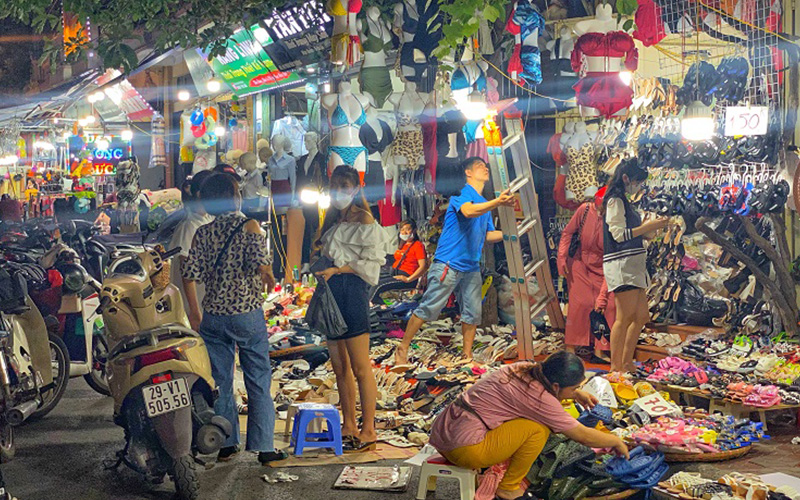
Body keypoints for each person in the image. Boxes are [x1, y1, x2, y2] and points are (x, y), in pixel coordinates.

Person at [182, 172, 285, 464]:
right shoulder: (250, 226)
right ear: (234, 197)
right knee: (258, 379)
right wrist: (267, 275)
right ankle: (264, 447)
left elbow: (189, 275)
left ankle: (226, 443)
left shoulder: (202, 233)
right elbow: (261, 264)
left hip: (213, 316)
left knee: (221, 382)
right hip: (246, 315)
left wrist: (195, 313)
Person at [429, 351, 630, 500]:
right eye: (574, 387)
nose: (576, 390)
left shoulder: (522, 368)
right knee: (537, 430)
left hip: (444, 432)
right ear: (556, 386)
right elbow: (582, 435)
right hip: (464, 449)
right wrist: (615, 441)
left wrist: (576, 394)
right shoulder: (540, 398)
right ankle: (508, 487)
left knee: (529, 424)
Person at [395, 157, 514, 365]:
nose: (485, 168)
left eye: (486, 166)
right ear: (468, 172)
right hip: (448, 264)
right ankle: (402, 348)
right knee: (429, 308)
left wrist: (513, 233)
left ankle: (466, 356)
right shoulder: (462, 194)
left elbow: (488, 235)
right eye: (480, 166)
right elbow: (468, 211)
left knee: (473, 313)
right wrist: (497, 202)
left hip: (471, 267)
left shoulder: (483, 203)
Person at [314, 164, 387, 452]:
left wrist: (337, 269)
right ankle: (349, 425)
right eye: (334, 187)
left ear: (355, 189)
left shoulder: (365, 219)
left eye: (344, 187)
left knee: (360, 366)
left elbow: (371, 266)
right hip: (331, 293)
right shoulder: (332, 218)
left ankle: (368, 429)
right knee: (340, 367)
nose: (338, 192)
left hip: (352, 293)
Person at [602, 160, 667, 372]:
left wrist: (648, 232)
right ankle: (616, 367)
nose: (639, 186)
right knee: (624, 318)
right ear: (626, 178)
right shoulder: (615, 201)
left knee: (640, 317)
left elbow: (628, 233)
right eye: (637, 181)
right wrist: (648, 226)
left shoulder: (623, 201)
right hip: (622, 264)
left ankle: (626, 362)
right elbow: (618, 235)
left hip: (633, 264)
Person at [557, 187, 615, 363]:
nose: (600, 211)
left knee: (609, 305)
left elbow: (613, 256)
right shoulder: (585, 210)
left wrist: (602, 295)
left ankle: (600, 349)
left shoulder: (615, 219)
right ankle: (571, 347)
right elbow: (568, 232)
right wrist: (561, 257)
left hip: (604, 266)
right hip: (579, 262)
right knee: (580, 304)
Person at [169, 170, 214, 313]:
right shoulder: (189, 226)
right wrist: (195, 312)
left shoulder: (207, 220)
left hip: (205, 303)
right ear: (200, 194)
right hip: (193, 306)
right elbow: (186, 274)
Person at [369, 220, 427, 306]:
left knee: (377, 286)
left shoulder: (418, 245)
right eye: (402, 229)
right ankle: (381, 306)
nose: (404, 232)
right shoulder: (403, 245)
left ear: (414, 230)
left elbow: (423, 267)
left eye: (407, 229)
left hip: (407, 278)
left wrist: (408, 279)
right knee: (371, 281)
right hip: (395, 274)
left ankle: (370, 305)